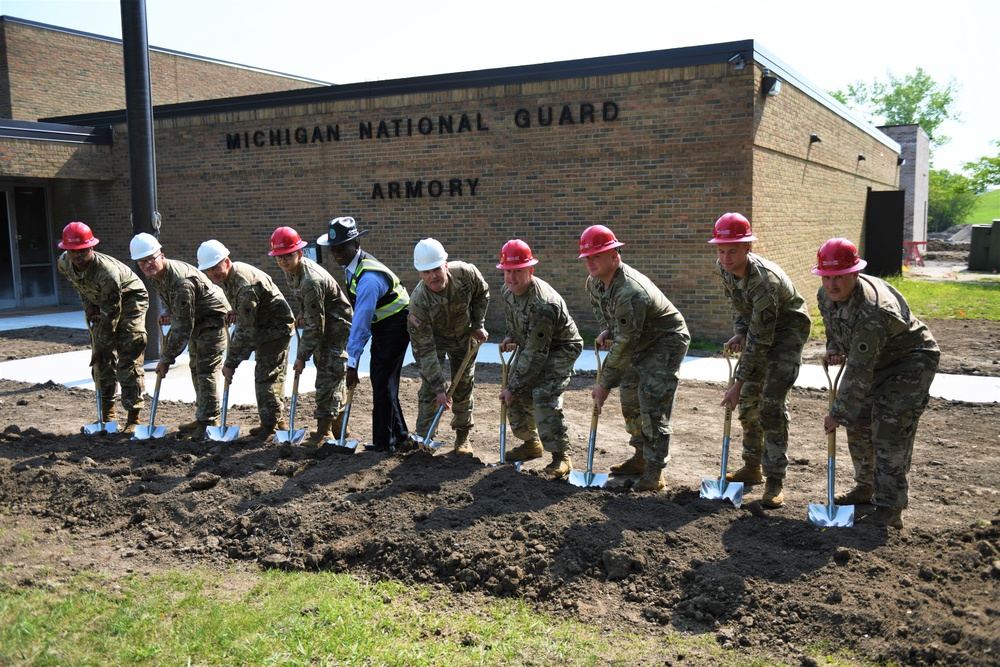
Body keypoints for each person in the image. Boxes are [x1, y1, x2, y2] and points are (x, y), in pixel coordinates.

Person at [814, 238, 939, 529]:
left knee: (888, 429)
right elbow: (834, 325)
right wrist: (834, 345)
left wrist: (837, 414)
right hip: (876, 360)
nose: (832, 284)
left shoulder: (874, 312)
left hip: (909, 361)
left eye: (839, 277)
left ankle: (890, 507)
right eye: (827, 277)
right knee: (858, 421)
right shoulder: (826, 294)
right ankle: (866, 486)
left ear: (855, 274)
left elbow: (858, 373)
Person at [709, 213, 811, 508]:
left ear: (747, 248)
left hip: (786, 335)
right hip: (759, 330)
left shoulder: (765, 281)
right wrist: (740, 332)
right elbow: (738, 306)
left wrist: (738, 383)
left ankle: (775, 480)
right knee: (749, 404)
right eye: (721, 250)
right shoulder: (724, 268)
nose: (726, 258)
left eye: (733, 250)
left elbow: (761, 341)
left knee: (771, 407)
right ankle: (752, 467)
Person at [580, 225, 690, 492]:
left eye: (597, 255)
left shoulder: (630, 291)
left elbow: (625, 344)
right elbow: (602, 310)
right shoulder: (595, 282)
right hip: (637, 340)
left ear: (615, 255)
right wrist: (608, 328)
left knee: (651, 402)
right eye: (588, 257)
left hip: (665, 341)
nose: (591, 262)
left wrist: (603, 385)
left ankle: (655, 471)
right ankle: (640, 456)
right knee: (630, 400)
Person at [318, 217, 411, 452]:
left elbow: (361, 323)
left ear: (357, 244)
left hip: (396, 324)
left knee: (382, 381)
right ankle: (399, 436)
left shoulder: (368, 279)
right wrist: (355, 359)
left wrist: (352, 363)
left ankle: (383, 443)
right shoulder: (352, 267)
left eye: (342, 247)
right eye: (333, 248)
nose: (337, 253)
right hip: (382, 323)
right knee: (383, 380)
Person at [131, 233, 230, 440]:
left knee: (206, 369)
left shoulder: (181, 281)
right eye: (142, 261)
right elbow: (179, 309)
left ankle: (209, 422)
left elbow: (182, 327)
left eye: (151, 259)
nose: (148, 264)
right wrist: (170, 310)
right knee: (196, 368)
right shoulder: (157, 276)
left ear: (162, 256)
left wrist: (166, 358)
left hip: (212, 318)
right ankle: (203, 416)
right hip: (197, 317)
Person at [497, 239, 582, 478]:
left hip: (561, 348)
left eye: (518, 271)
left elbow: (536, 355)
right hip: (533, 345)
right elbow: (514, 320)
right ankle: (531, 443)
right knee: (513, 394)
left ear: (530, 271)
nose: (511, 277)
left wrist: (513, 386)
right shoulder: (508, 291)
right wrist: (510, 335)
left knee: (542, 394)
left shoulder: (543, 304)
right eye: (507, 271)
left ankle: (561, 456)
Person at [197, 239, 294, 440]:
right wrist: (236, 310)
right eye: (209, 270)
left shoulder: (243, 283)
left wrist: (231, 363)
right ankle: (276, 421)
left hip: (275, 328)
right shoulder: (230, 277)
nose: (213, 273)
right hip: (264, 325)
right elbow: (246, 315)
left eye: (216, 267)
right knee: (269, 375)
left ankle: (271, 427)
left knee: (266, 377)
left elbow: (245, 330)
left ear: (226, 260)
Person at [56, 222, 148, 435]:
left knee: (128, 356)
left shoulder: (107, 273)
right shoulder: (64, 263)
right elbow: (80, 286)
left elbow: (111, 315)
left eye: (84, 250)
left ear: (92, 248)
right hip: (102, 300)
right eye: (73, 251)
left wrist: (100, 345)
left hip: (129, 300)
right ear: (66, 251)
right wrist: (89, 305)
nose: (79, 256)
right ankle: (107, 416)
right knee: (102, 363)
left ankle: (134, 417)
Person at [269, 226, 353, 447]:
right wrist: (304, 313)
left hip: (336, 328)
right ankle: (338, 428)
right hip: (323, 323)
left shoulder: (311, 281)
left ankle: (324, 433)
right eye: (279, 257)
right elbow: (312, 311)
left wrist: (301, 356)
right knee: (331, 376)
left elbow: (316, 326)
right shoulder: (293, 272)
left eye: (287, 255)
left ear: (299, 253)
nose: (283, 261)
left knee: (328, 377)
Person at [407, 238, 490, 457]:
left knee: (463, 386)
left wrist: (478, 324)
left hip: (464, 337)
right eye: (426, 272)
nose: (433, 276)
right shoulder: (418, 304)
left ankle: (462, 437)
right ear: (420, 274)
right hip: (434, 342)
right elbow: (423, 351)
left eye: (436, 269)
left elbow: (482, 294)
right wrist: (438, 388)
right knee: (429, 391)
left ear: (445, 264)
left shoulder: (466, 275)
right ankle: (423, 439)